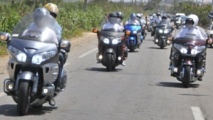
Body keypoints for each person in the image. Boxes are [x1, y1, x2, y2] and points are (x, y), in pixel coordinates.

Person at [169, 14, 208, 80]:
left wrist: (207, 40)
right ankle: (174, 65)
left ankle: (200, 68)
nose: (189, 23)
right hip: (184, 47)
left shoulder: (198, 30)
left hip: (194, 48)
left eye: (191, 22)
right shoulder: (183, 29)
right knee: (175, 52)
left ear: (195, 22)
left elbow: (203, 39)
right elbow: (178, 36)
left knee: (202, 55)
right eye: (188, 21)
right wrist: (173, 38)